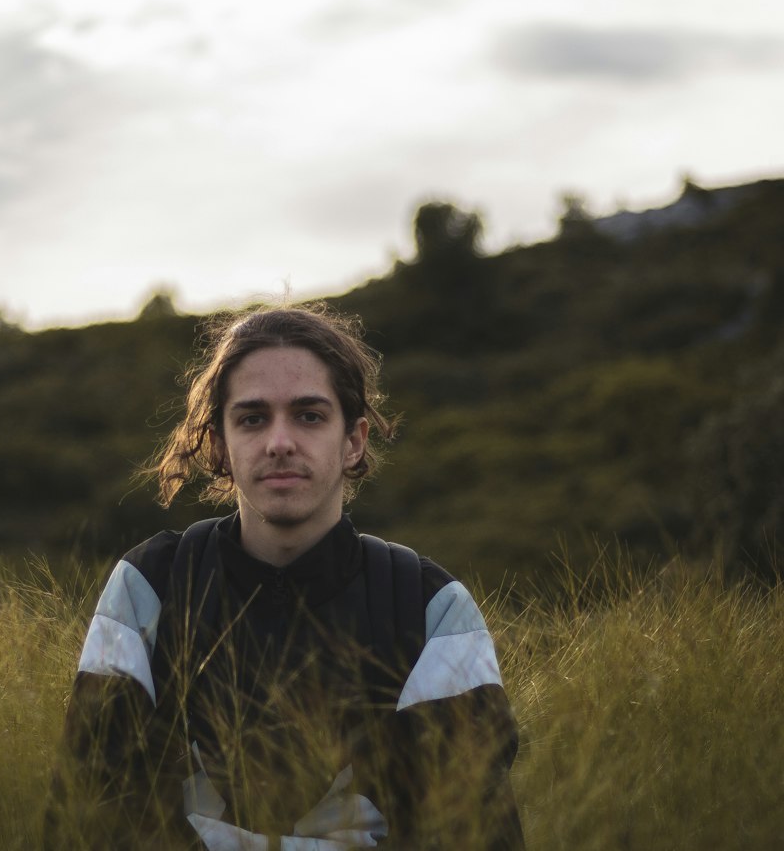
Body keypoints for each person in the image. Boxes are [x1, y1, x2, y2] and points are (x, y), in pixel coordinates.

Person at [45, 305, 524, 850]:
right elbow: (84, 814)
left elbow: (479, 832)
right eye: (252, 418)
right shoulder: (149, 587)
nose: (279, 442)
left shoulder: (431, 606)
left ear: (354, 440)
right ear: (220, 444)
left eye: (309, 415)